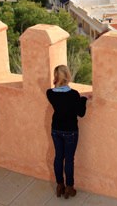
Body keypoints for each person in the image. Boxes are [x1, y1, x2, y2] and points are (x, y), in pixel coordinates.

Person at [47, 65, 87, 199]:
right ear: (67, 76)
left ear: (56, 76)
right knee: (69, 159)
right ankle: (69, 187)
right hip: (70, 131)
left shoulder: (50, 93)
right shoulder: (74, 94)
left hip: (56, 130)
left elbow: (62, 103)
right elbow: (81, 113)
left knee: (58, 157)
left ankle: (59, 185)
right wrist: (84, 99)